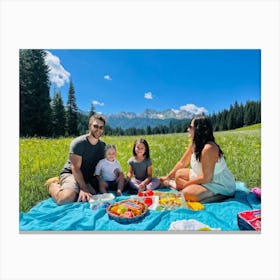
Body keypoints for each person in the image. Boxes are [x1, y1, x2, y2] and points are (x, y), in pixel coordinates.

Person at [160, 116, 236, 202]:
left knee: (186, 193)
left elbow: (206, 178)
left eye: (190, 127)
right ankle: (170, 183)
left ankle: (221, 195)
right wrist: (168, 177)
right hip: (201, 176)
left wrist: (186, 184)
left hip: (217, 183)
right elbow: (182, 162)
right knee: (179, 174)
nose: (188, 129)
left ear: (198, 130)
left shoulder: (209, 148)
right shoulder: (195, 143)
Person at [45, 114, 106, 205]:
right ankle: (52, 184)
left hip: (87, 177)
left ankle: (77, 188)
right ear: (89, 126)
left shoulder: (103, 146)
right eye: (95, 126)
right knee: (65, 199)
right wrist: (84, 188)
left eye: (101, 127)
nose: (98, 129)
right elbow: (75, 168)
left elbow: (101, 166)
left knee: (93, 194)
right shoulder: (79, 143)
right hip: (71, 174)